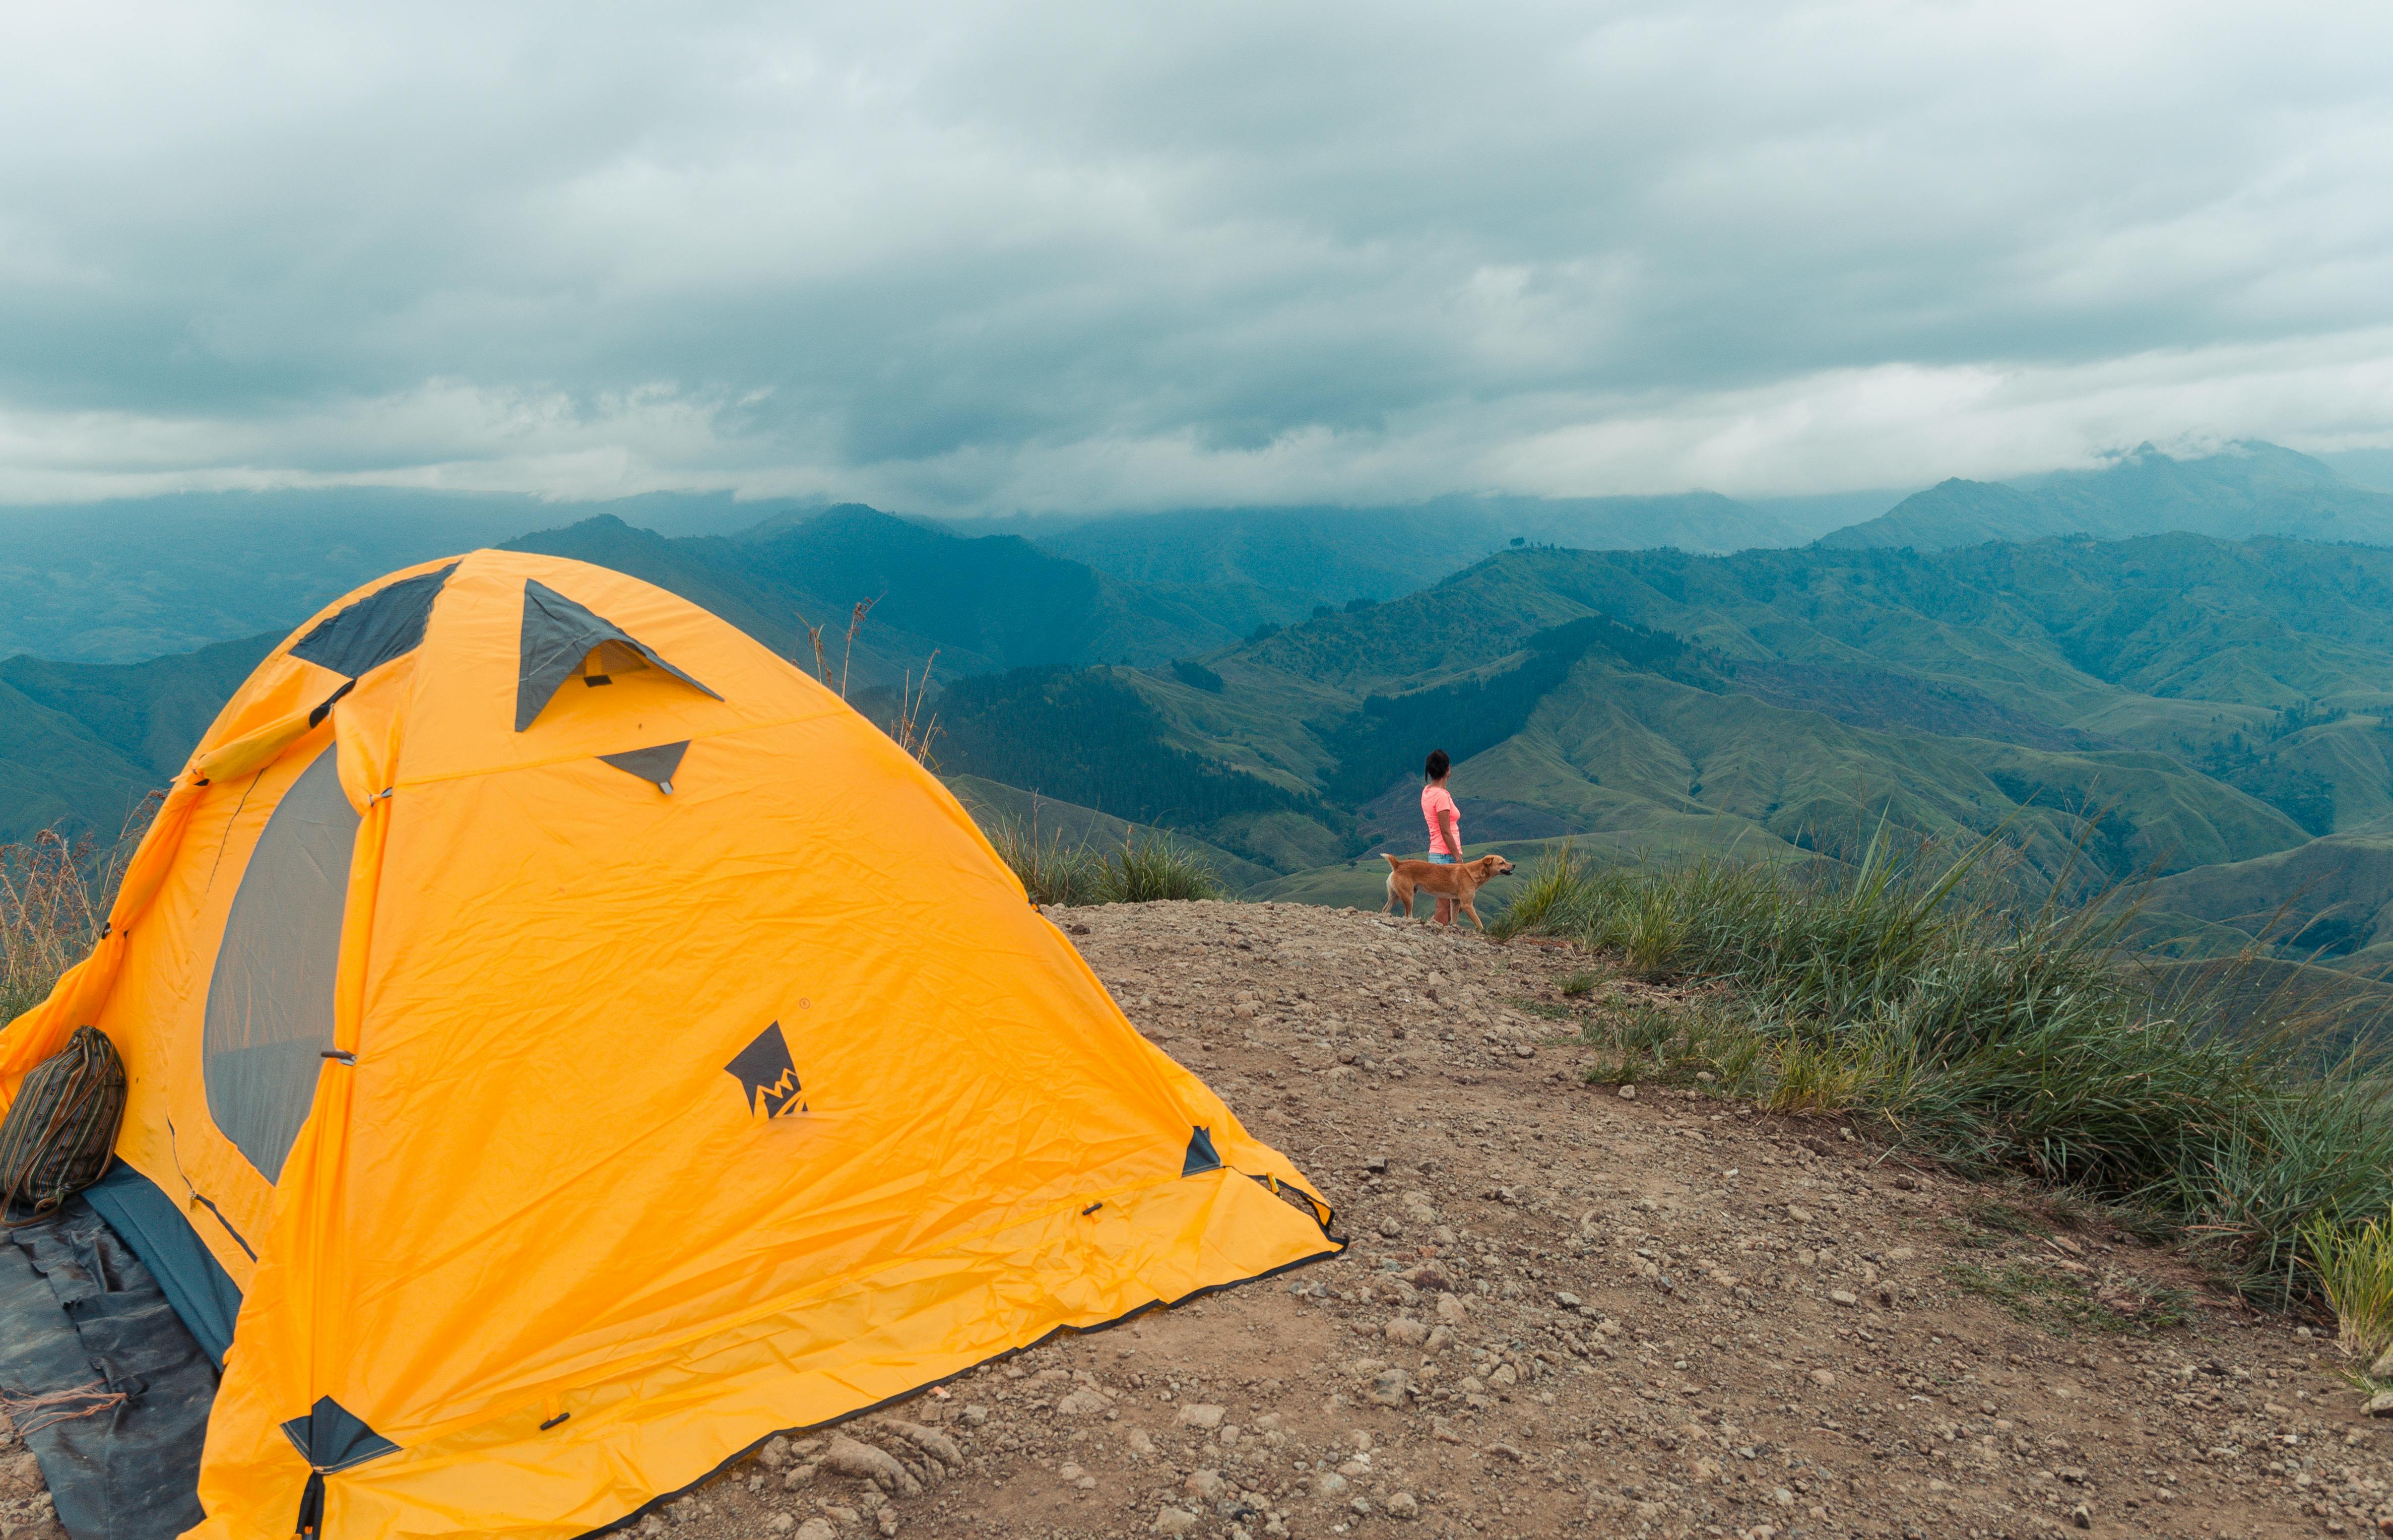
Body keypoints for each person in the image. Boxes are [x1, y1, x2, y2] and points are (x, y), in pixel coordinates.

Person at [1420, 748, 1462, 925]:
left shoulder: (1427, 792)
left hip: (1436, 853)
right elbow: (1446, 831)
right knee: (1445, 906)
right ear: (1448, 770)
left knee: (1448, 903)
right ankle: (1434, 936)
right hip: (1446, 856)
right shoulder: (1442, 797)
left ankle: (1434, 932)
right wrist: (1458, 858)